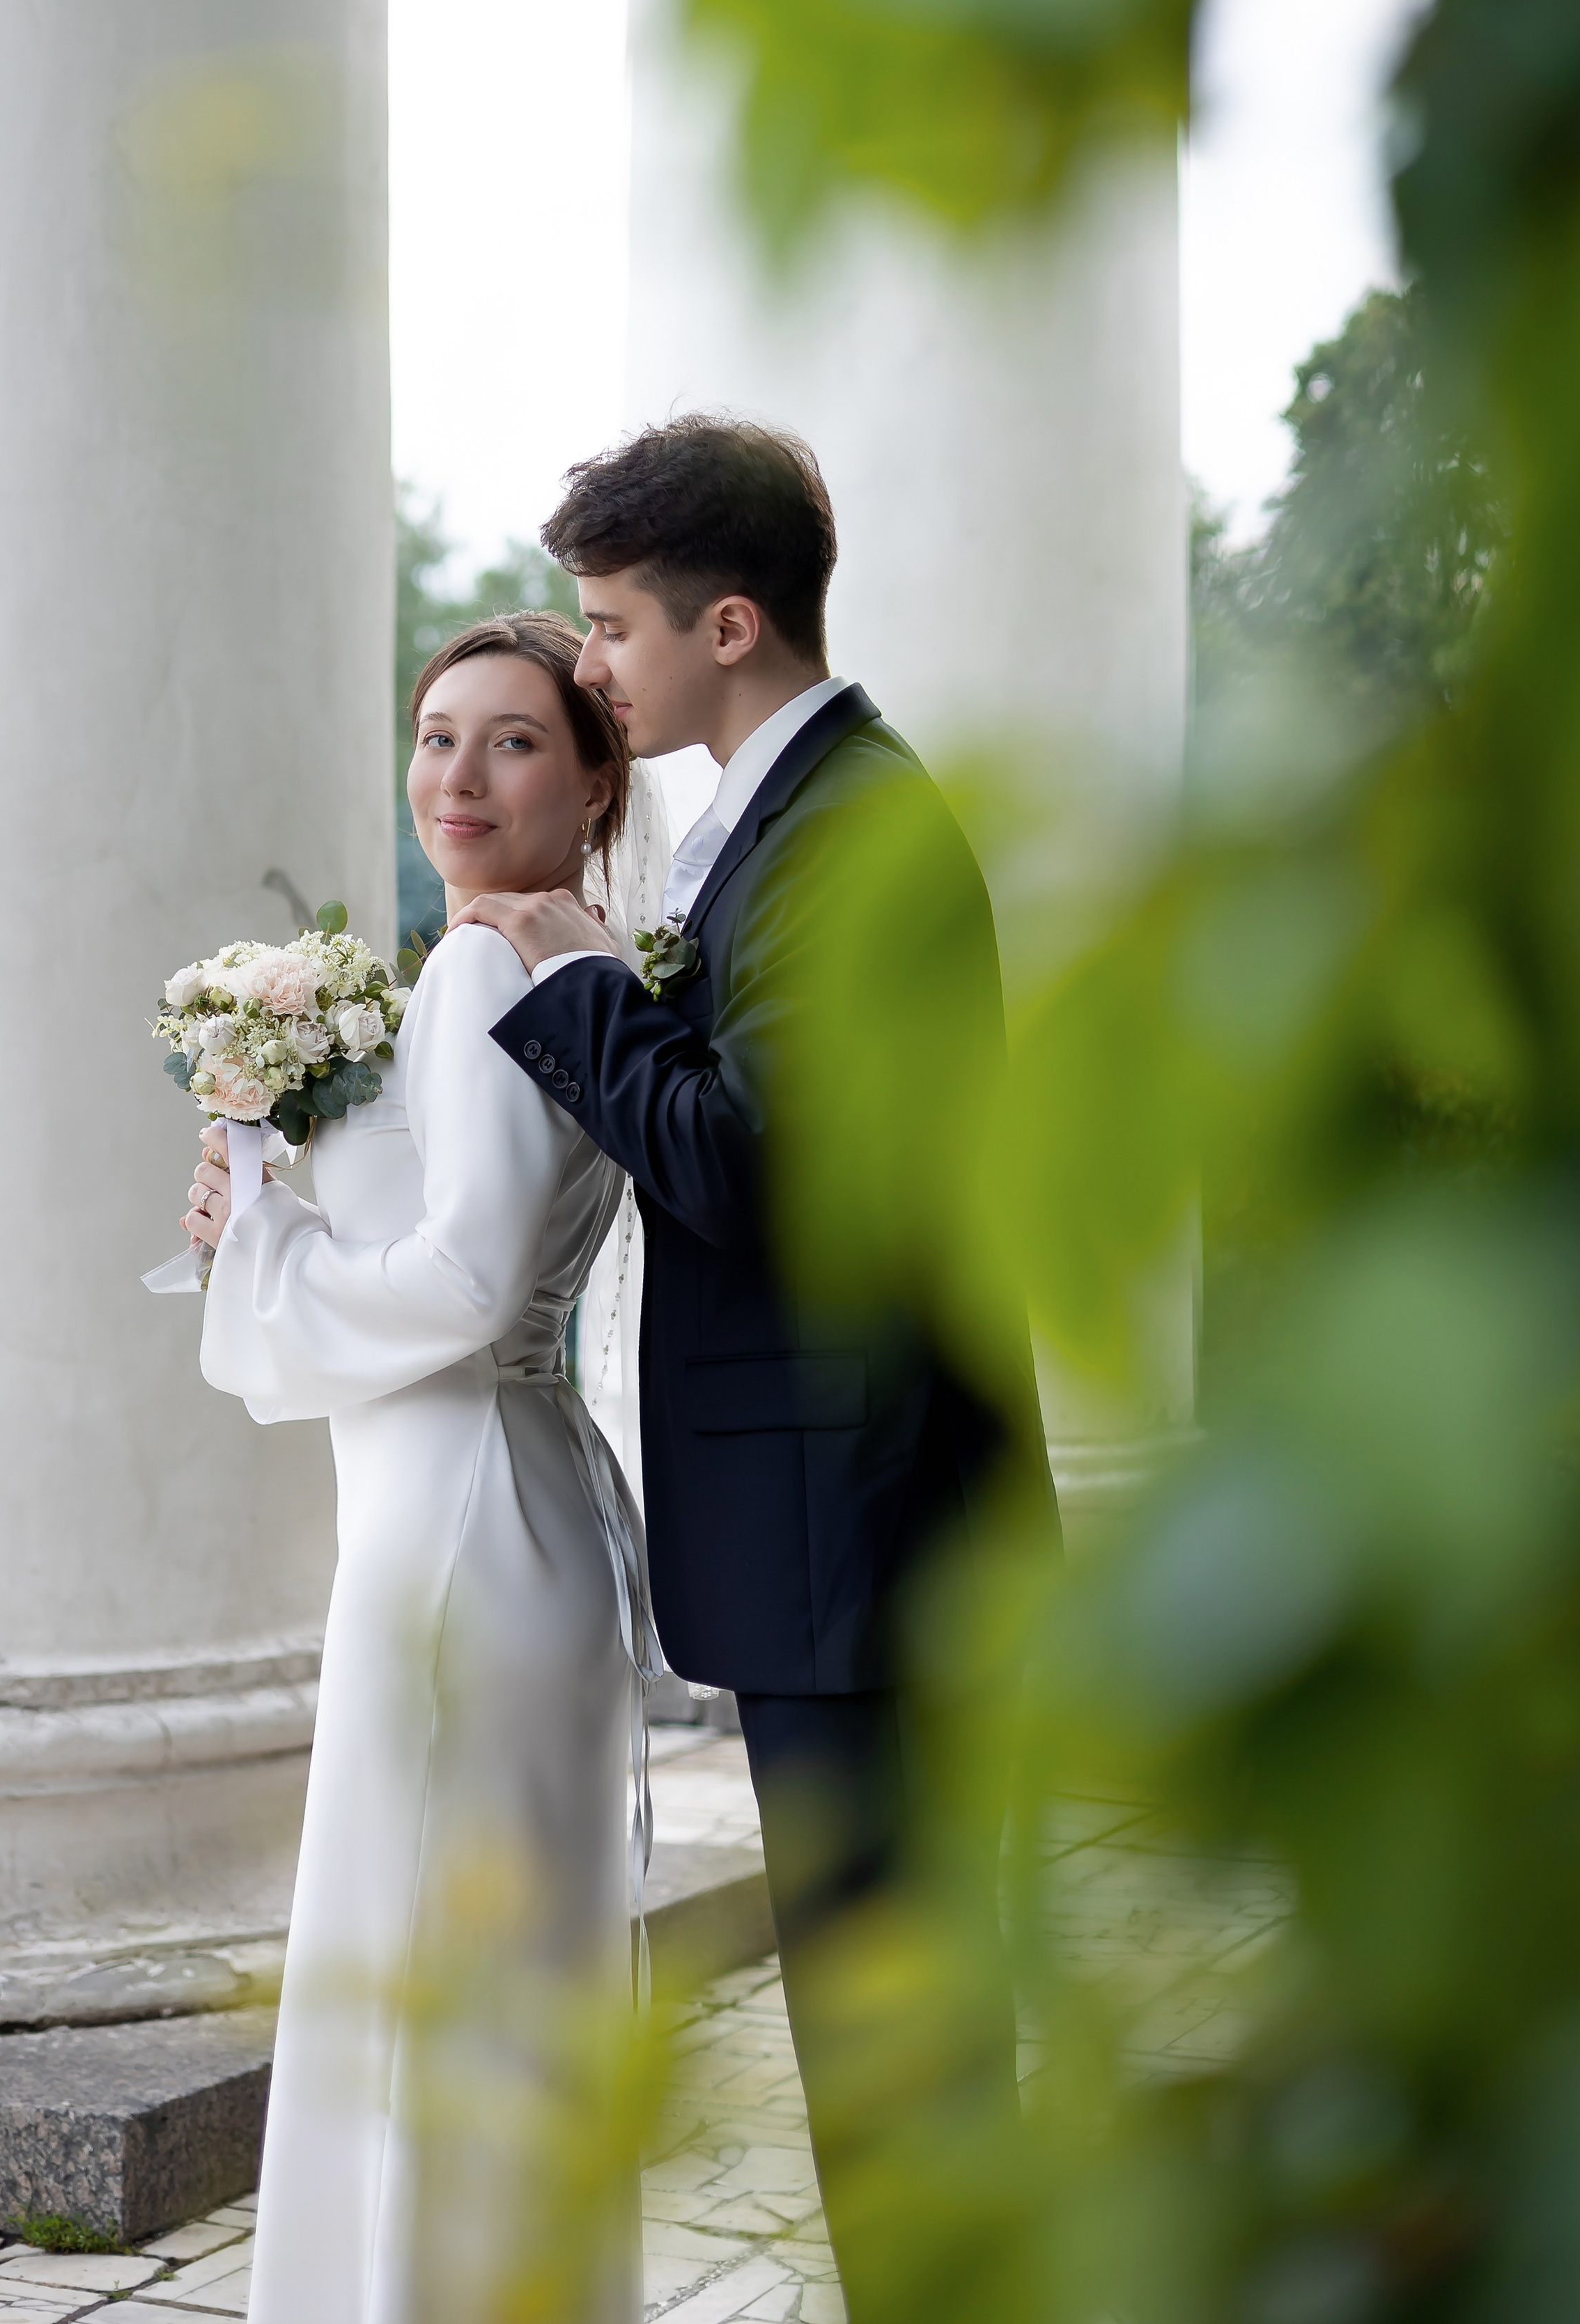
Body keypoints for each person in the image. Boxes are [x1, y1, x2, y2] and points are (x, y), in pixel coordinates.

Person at [454, 417, 1058, 2292]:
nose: (592, 669)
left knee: (904, 2064)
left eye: (611, 630)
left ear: (727, 626)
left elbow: (750, 1163)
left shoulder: (855, 828)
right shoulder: (798, 813)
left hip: (867, 1550)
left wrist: (565, 970)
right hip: (848, 1541)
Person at [181, 613, 653, 2324]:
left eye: (515, 740)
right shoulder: (589, 961)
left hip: (452, 1523)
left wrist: (274, 1245)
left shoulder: (476, 971)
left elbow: (458, 1283)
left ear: (596, 777)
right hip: (518, 1514)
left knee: (422, 1988)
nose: (458, 773)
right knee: (496, 1990)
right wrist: (276, 1201)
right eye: (436, 732)